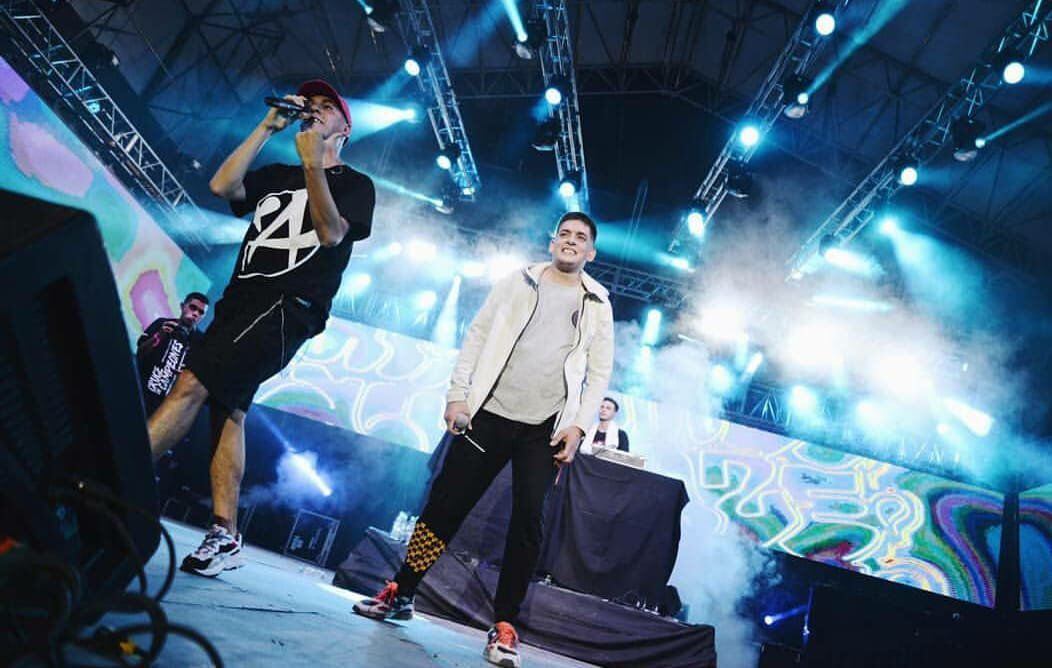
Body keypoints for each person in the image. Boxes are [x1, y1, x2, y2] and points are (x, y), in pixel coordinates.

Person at [354, 212, 615, 668]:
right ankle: (403, 591)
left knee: (528, 523)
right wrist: (458, 395)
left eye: (581, 238)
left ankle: (505, 624)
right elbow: (477, 335)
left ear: (590, 253)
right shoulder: (519, 281)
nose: (571, 241)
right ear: (552, 242)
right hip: (488, 414)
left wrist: (577, 427)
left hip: (544, 429)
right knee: (444, 507)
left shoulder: (597, 303)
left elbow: (599, 373)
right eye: (564, 234)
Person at [145, 79, 375, 577]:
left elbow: (330, 234)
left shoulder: (357, 185)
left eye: (327, 106)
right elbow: (222, 187)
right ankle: (225, 533)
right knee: (228, 410)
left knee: (192, 383)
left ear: (345, 128)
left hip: (288, 306)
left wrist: (314, 164)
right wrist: (266, 127)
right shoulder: (278, 175)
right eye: (310, 104)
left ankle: (111, 481)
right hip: (241, 300)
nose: (315, 110)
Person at [136, 292, 209, 416]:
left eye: (201, 312)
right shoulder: (162, 323)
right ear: (182, 306)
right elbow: (140, 353)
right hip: (141, 391)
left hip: (165, 406)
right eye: (193, 307)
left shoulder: (201, 342)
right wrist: (157, 337)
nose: (196, 314)